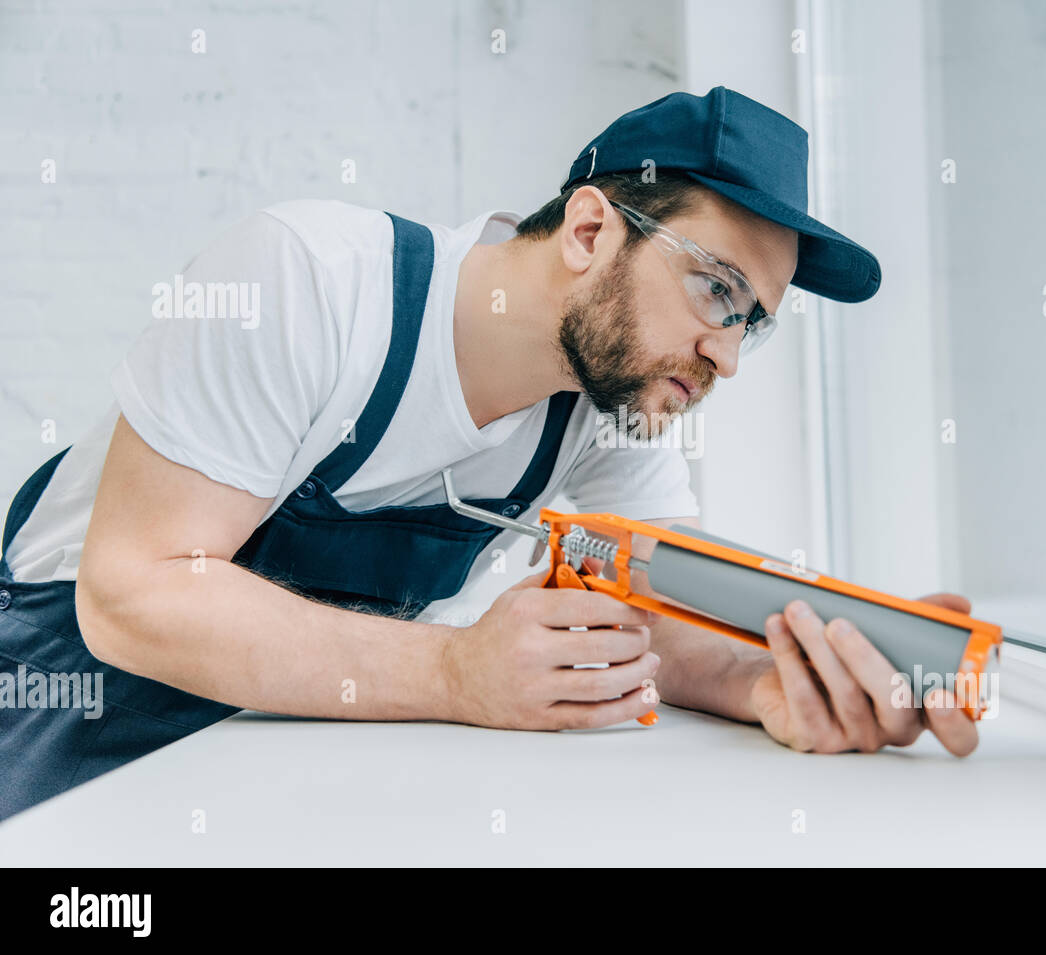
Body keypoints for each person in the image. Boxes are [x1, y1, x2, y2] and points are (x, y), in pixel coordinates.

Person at [0, 86, 977, 823]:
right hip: (54, 715)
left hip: (270, 757)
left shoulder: (603, 410)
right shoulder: (305, 282)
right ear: (591, 228)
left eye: (754, 323)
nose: (727, 351)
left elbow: (655, 614)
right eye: (717, 291)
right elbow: (134, 595)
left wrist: (773, 686)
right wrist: (455, 673)